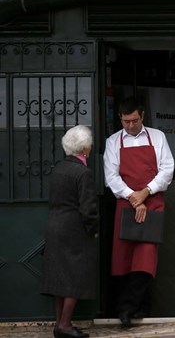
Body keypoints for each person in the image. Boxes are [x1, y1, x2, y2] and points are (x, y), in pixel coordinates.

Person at [103, 96, 174, 327]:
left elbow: (167, 170)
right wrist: (135, 198)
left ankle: (126, 309)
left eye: (134, 121)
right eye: (126, 122)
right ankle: (139, 307)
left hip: (152, 203)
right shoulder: (113, 142)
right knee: (123, 259)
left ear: (142, 116)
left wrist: (146, 192)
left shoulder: (158, 137)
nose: (130, 126)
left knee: (145, 258)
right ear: (120, 119)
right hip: (126, 203)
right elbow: (111, 177)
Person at [41, 125, 99, 338]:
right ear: (84, 149)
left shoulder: (58, 168)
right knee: (74, 276)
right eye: (90, 145)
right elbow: (88, 209)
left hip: (54, 226)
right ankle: (65, 325)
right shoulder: (83, 172)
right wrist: (93, 230)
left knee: (60, 277)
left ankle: (60, 325)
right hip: (74, 229)